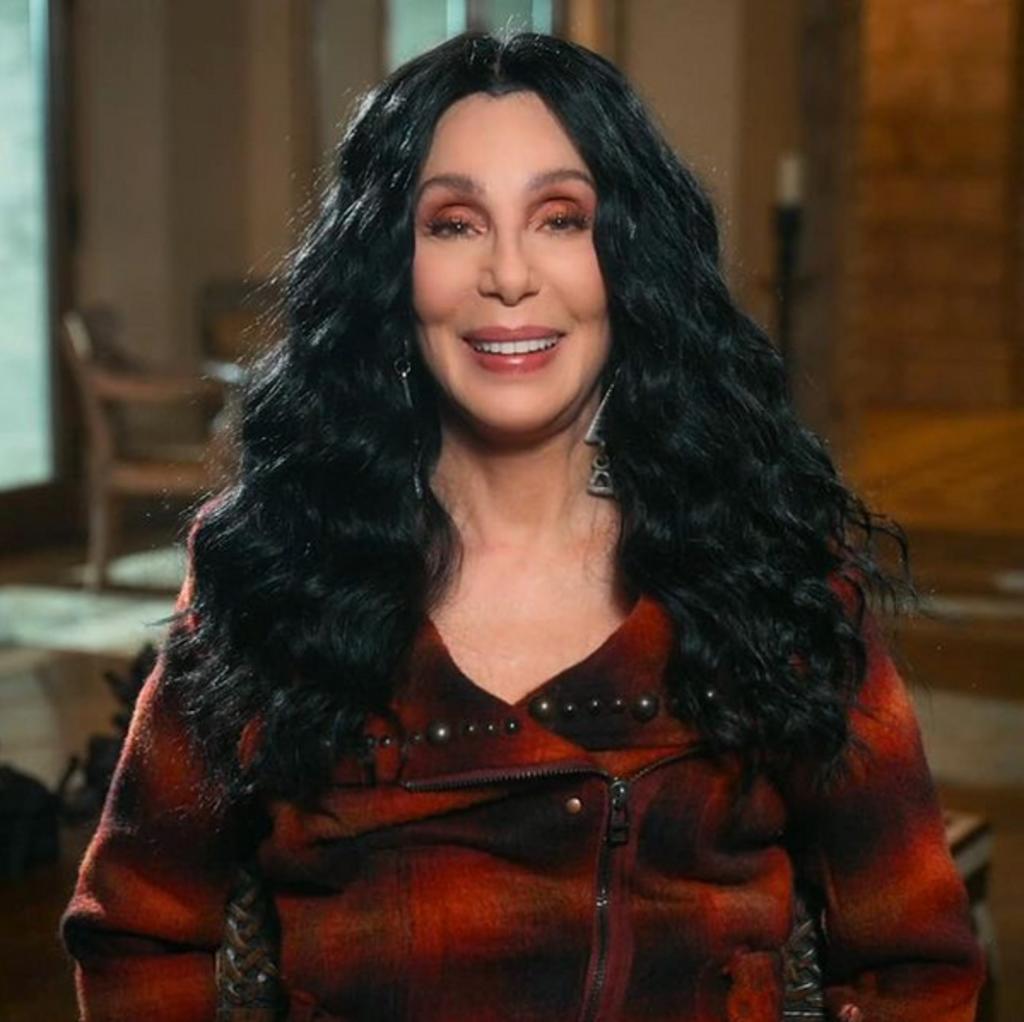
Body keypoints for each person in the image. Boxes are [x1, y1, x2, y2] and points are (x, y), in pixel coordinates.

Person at [61, 31, 984, 1022]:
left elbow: (916, 961)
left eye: (561, 218)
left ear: (629, 258)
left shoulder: (771, 567)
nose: (508, 274)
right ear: (390, 267)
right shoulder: (271, 569)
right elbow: (138, 930)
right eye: (454, 223)